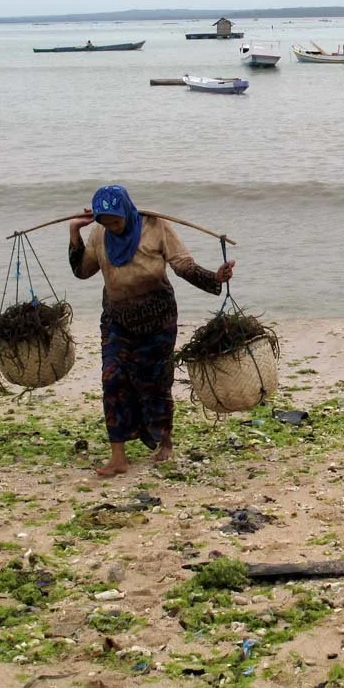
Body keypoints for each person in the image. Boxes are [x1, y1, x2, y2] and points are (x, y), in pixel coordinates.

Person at [69, 185, 235, 477]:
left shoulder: (156, 227)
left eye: (116, 222)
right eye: (105, 223)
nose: (113, 228)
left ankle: (165, 442)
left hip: (157, 320)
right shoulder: (100, 234)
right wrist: (74, 233)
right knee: (112, 379)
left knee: (156, 383)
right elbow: (82, 271)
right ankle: (118, 457)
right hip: (116, 321)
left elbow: (183, 265)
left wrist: (215, 277)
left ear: (127, 212)